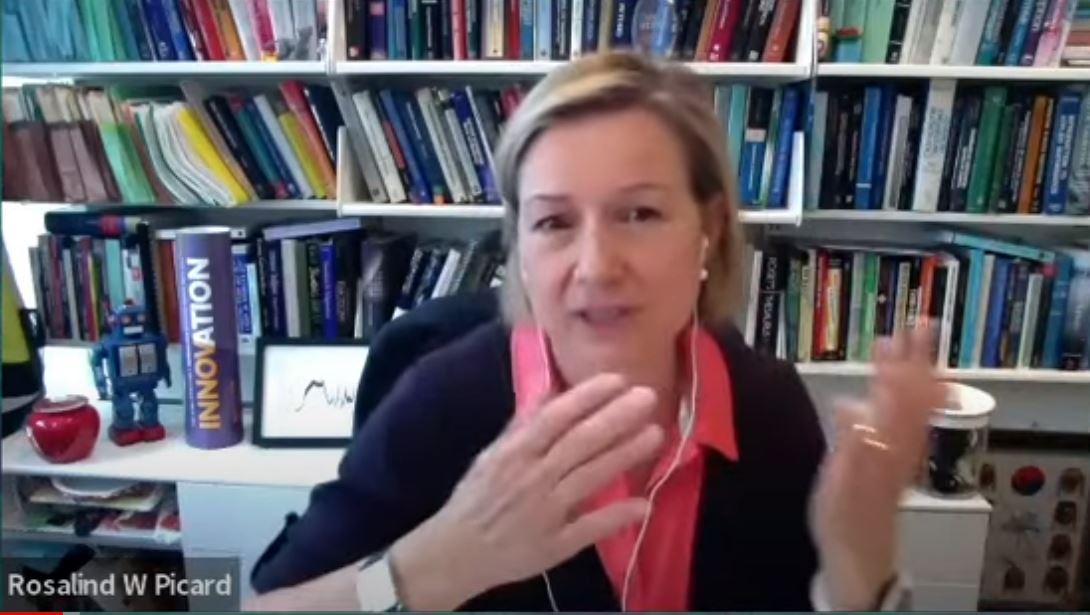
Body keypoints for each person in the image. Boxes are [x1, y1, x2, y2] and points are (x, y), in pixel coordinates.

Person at [247, 51, 945, 611]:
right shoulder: (442, 399)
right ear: (519, 243)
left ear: (709, 229)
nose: (595, 266)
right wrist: (430, 567)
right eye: (553, 221)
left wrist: (862, 573)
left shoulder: (766, 405)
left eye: (639, 213)